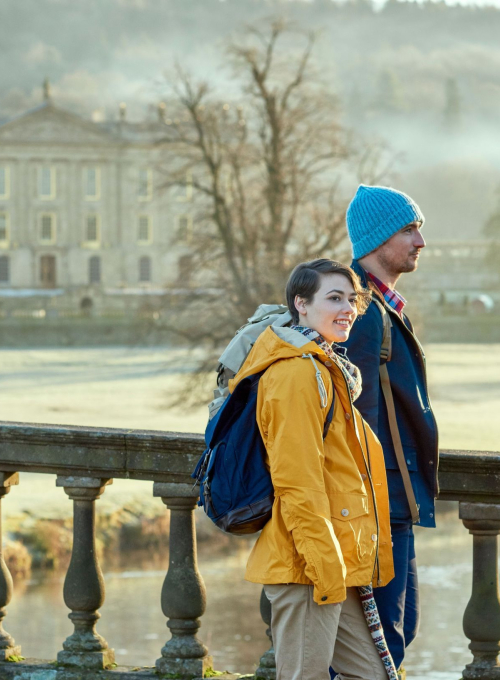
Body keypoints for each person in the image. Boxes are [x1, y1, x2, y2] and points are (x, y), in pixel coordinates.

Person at [229, 258, 395, 680]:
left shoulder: (326, 367)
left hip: (332, 557)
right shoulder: (296, 374)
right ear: (301, 305)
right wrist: (327, 571)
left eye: (352, 299)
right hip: (307, 564)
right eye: (334, 298)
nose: (348, 309)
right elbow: (297, 484)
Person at [342, 185, 439, 673]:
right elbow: (357, 424)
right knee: (376, 651)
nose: (420, 241)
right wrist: (373, 509)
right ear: (376, 239)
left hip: (398, 501)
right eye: (408, 229)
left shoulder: (381, 307)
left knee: (399, 632)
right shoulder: (359, 316)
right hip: (378, 507)